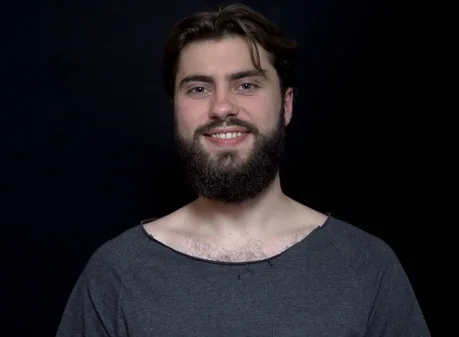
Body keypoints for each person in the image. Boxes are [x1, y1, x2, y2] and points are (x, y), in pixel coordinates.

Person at [55, 3, 431, 336]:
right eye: (199, 89)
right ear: (175, 109)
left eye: (246, 85)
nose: (221, 108)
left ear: (286, 105)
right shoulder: (116, 275)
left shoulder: (366, 266)